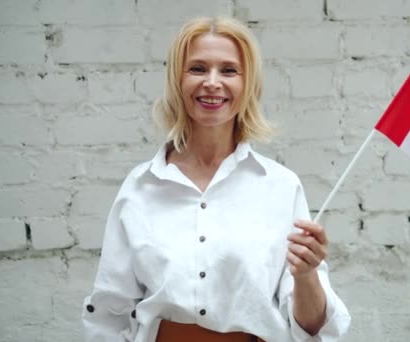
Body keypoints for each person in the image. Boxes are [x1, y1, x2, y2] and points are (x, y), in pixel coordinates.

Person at [82, 16, 351, 342]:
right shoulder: (140, 188)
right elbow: (110, 312)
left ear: (247, 83)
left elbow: (312, 328)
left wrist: (307, 274)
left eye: (228, 70)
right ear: (177, 80)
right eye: (197, 69)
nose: (212, 82)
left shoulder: (281, 187)